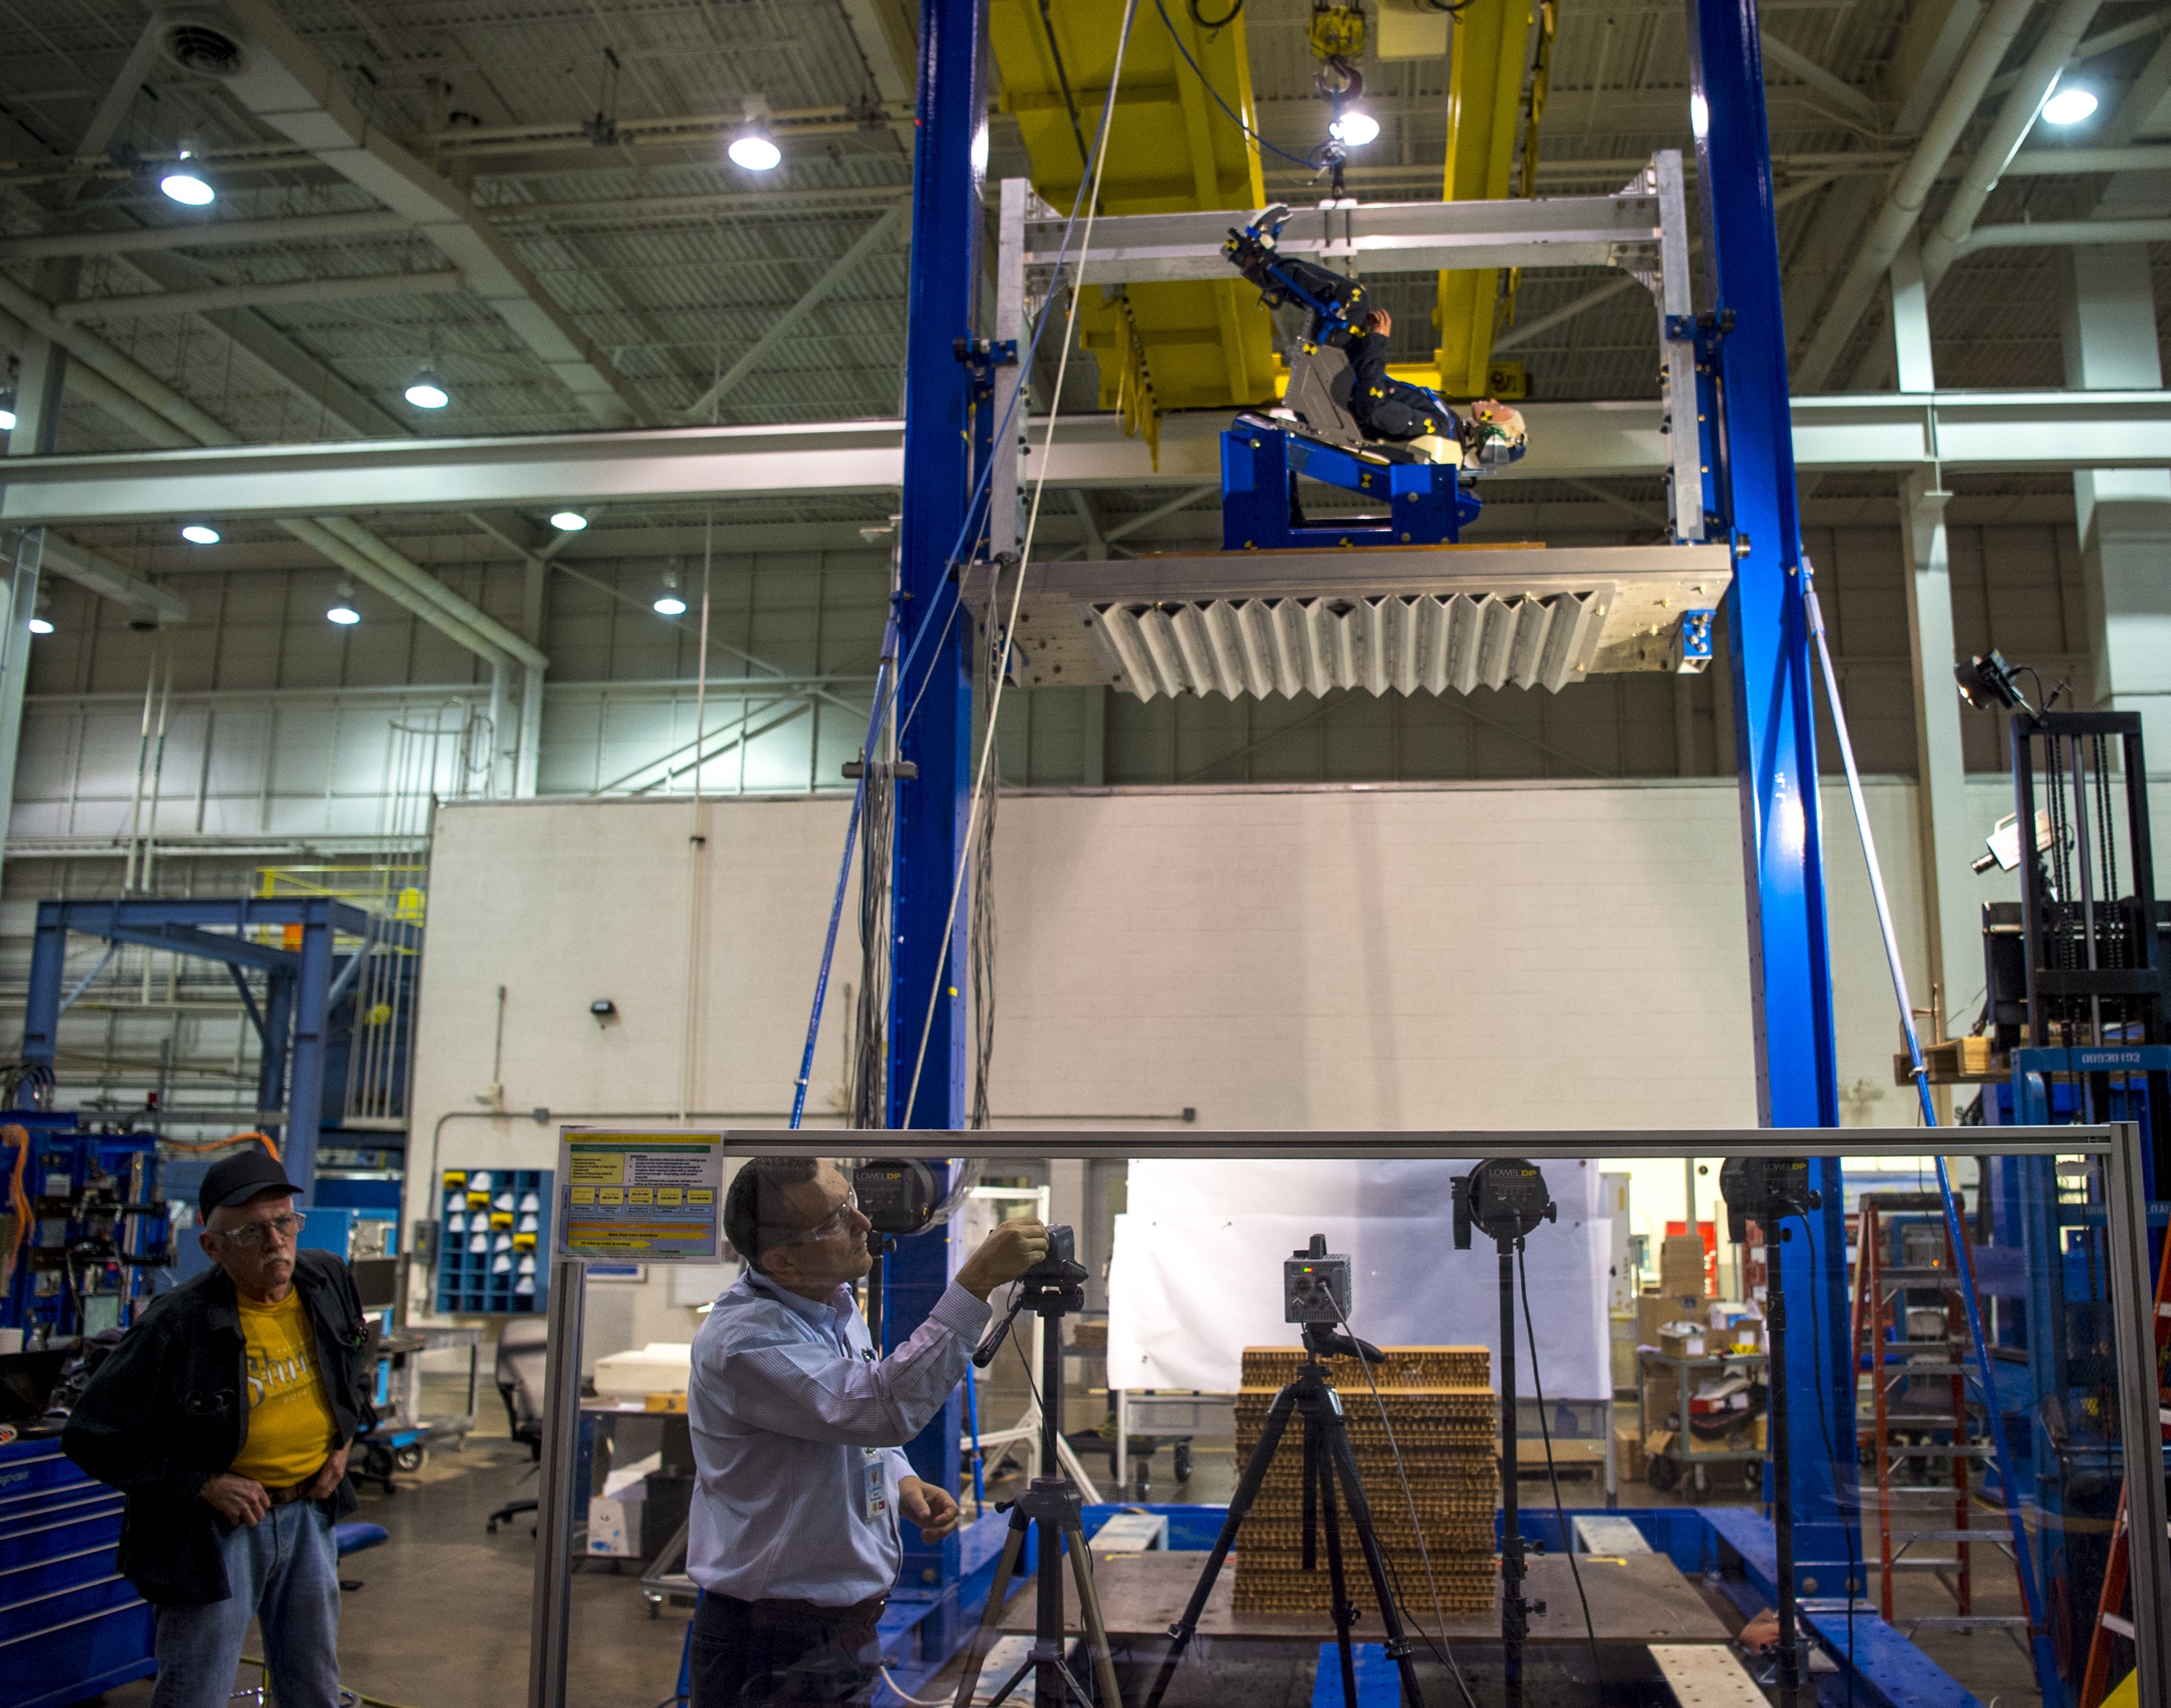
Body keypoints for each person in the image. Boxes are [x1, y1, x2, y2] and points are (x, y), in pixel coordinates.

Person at [686, 1157, 1050, 1708]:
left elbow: (846, 1410)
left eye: (850, 1198)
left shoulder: (830, 1304)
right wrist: (974, 1283)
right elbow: (879, 1406)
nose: (862, 1219)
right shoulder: (746, 1341)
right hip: (772, 1644)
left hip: (839, 1632)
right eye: (835, 1218)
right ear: (781, 1260)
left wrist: (899, 1478)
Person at [62, 1148, 373, 1708]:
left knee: (314, 1689)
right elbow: (89, 1434)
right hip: (213, 1535)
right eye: (253, 1231)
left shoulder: (326, 1278)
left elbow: (355, 1359)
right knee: (196, 1691)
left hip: (308, 1515)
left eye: (284, 1222)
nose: (276, 1241)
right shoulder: (175, 1324)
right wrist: (201, 1484)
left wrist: (343, 1439)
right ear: (213, 1246)